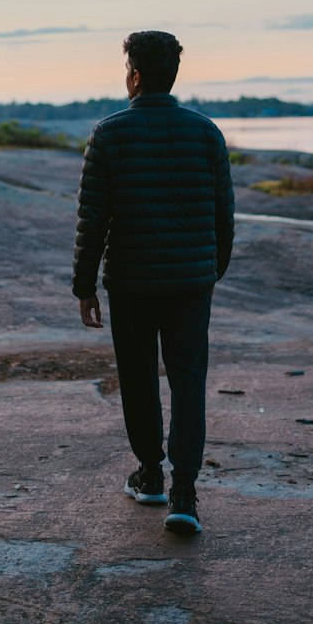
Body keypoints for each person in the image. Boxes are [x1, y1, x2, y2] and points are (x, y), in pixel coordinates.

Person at [71, 30, 235, 536]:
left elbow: (92, 218)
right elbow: (223, 216)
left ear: (135, 76)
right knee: (188, 381)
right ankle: (184, 493)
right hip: (191, 283)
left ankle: (150, 476)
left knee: (140, 379)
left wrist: (84, 285)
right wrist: (210, 271)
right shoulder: (206, 133)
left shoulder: (110, 134)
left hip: (132, 282)